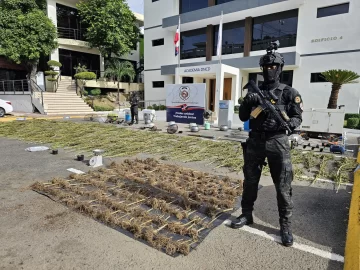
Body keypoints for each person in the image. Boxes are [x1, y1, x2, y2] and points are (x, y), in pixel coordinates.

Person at [231, 42, 303, 247]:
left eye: (274, 67)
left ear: (280, 69)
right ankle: (246, 214)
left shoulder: (289, 92)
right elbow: (243, 117)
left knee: (283, 185)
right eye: (266, 67)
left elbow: (298, 118)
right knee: (250, 181)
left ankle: (285, 226)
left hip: (278, 142)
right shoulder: (255, 91)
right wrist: (248, 101)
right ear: (262, 69)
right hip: (255, 141)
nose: (270, 70)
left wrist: (287, 123)